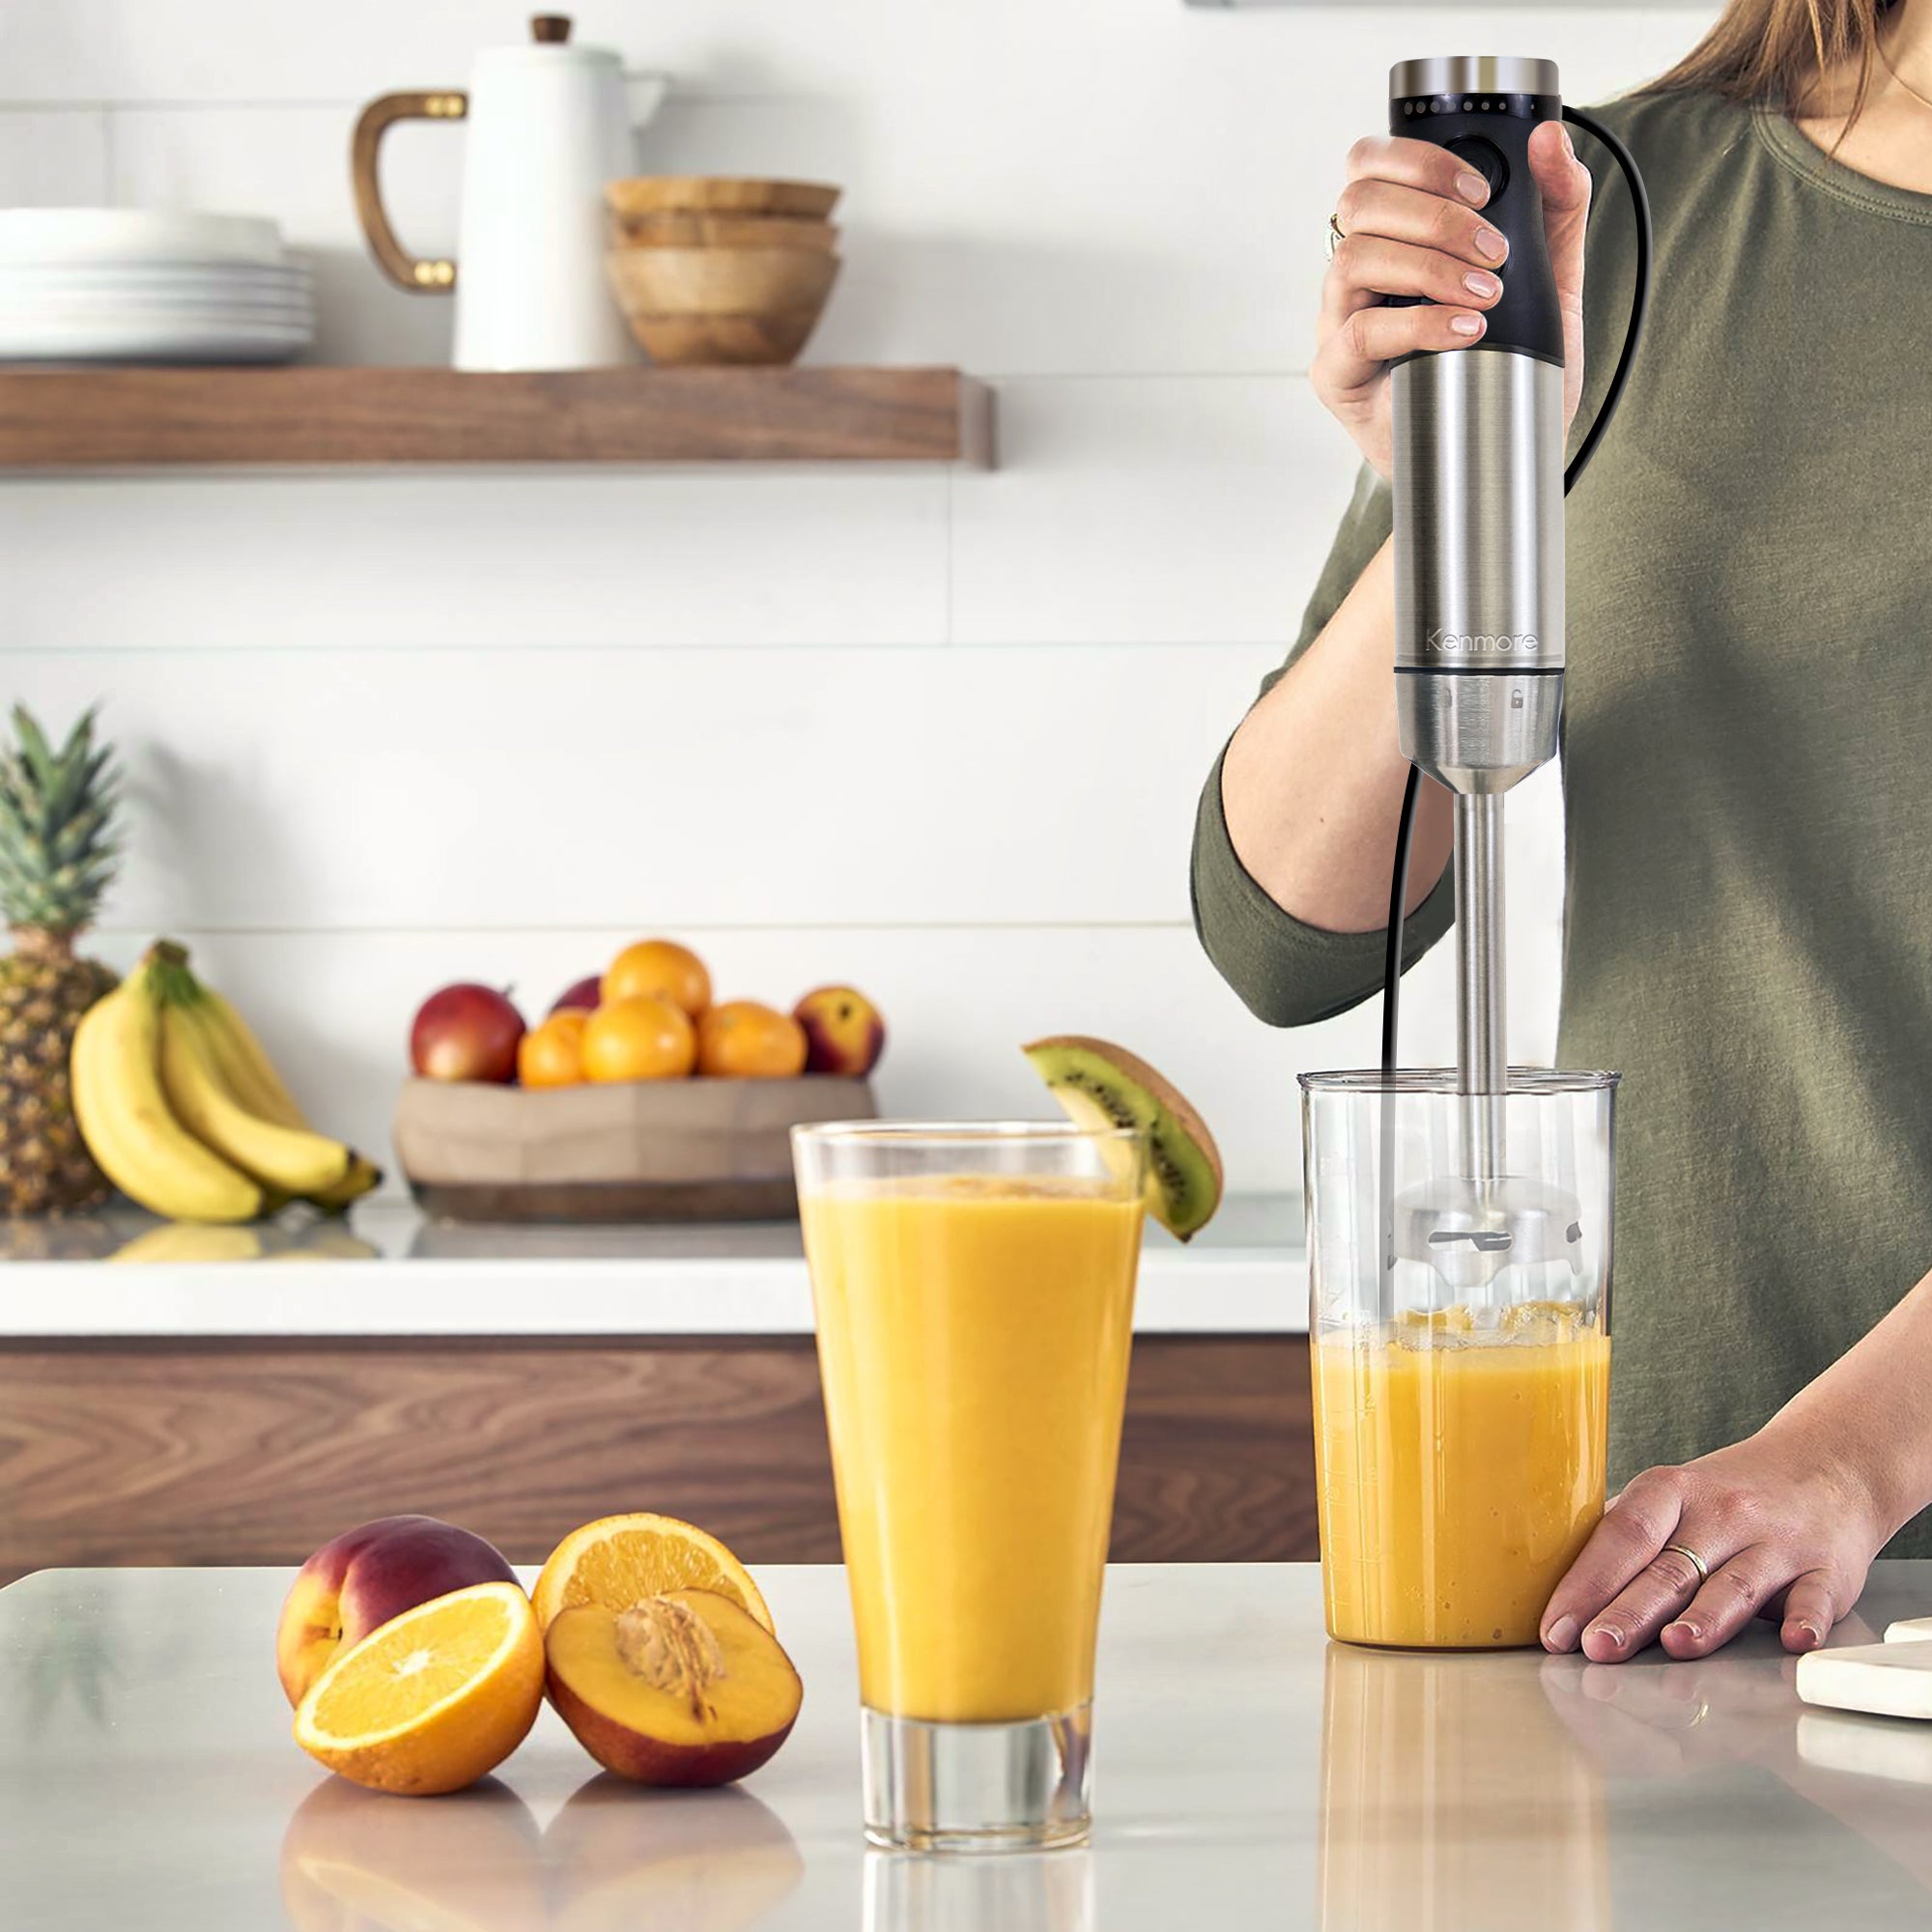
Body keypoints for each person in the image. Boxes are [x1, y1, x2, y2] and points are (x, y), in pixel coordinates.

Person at [1193, 0, 1932, 1664]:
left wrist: (1851, 1453)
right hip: (1675, 1581)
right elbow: (1285, 932)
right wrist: (1454, 488)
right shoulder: (1615, 199)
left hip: (1796, 1511)